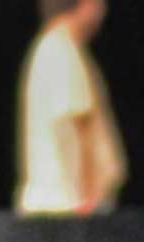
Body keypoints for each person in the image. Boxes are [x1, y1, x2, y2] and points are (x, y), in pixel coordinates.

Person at [17, 0, 124, 216]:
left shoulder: (55, 47)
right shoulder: (61, 49)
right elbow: (76, 123)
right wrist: (88, 197)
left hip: (63, 208)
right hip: (67, 210)